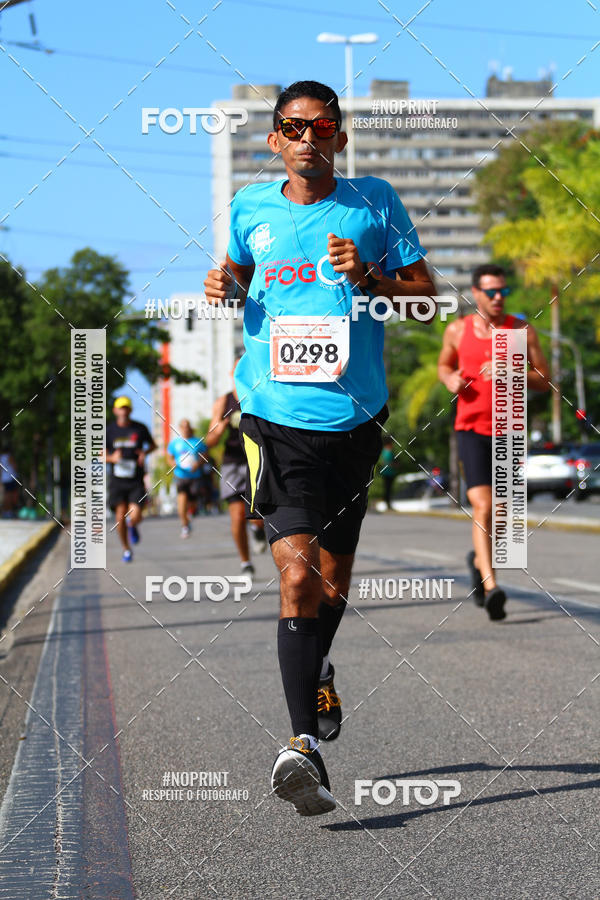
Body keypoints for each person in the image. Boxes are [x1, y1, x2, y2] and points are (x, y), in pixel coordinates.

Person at [204, 80, 434, 816]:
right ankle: (301, 746)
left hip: (355, 420)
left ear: (340, 135)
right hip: (273, 417)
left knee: (333, 582)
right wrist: (225, 285)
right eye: (294, 127)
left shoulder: (375, 202)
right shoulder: (250, 207)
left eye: (323, 126)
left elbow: (425, 297)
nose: (308, 138)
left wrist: (367, 275)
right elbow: (239, 275)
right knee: (297, 575)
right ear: (275, 138)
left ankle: (319, 665)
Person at [438, 264, 550, 620]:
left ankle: (478, 559)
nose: (499, 297)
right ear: (476, 293)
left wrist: (514, 370)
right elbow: (444, 366)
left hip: (509, 429)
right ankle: (491, 587)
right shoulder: (457, 330)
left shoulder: (521, 330)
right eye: (491, 291)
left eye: (503, 291)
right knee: (483, 506)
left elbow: (545, 379)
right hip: (470, 428)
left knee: (501, 513)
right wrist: (449, 379)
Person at [205, 379, 266, 574]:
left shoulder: (259, 395)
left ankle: (258, 529)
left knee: (258, 515)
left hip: (257, 459)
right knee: (238, 516)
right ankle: (245, 562)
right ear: (232, 374)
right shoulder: (224, 402)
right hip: (232, 463)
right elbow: (209, 441)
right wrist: (219, 431)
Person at [105, 396, 156, 562]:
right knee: (120, 517)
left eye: (126, 408)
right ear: (115, 411)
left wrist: (144, 453)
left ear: (130, 410)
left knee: (135, 515)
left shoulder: (140, 428)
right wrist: (112, 458)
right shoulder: (109, 431)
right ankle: (126, 549)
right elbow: (101, 454)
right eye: (121, 408)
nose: (124, 411)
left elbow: (153, 445)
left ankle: (132, 525)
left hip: (136, 480)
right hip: (117, 480)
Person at [167, 419, 208, 538]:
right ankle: (185, 526)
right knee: (181, 504)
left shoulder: (197, 441)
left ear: (190, 428)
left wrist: (198, 464)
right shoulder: (175, 443)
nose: (185, 429)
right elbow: (169, 457)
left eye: (187, 426)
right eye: (183, 426)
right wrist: (173, 464)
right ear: (180, 428)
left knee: (192, 504)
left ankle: (191, 514)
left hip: (195, 477)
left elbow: (205, 455)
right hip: (181, 476)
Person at [0, 447, 19, 518]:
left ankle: (6, 511)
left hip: (4, 479)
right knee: (10, 495)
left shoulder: (1, 457)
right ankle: (8, 511)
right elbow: (14, 466)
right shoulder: (8, 456)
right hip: (10, 478)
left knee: (6, 495)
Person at [379, 438, 398, 509]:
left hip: (387, 473)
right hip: (388, 473)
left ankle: (388, 503)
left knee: (387, 489)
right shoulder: (388, 452)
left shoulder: (384, 451)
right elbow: (387, 463)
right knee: (388, 489)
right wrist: (395, 465)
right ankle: (388, 504)